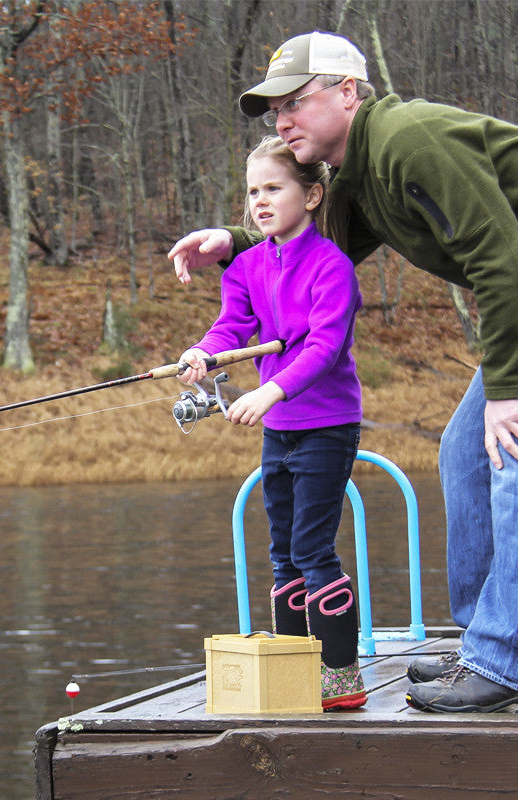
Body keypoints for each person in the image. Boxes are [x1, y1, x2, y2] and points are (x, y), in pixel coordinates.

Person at [169, 31, 518, 713]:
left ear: (347, 93)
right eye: (275, 112)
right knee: (463, 453)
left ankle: (508, 666)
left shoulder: (406, 141)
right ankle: (487, 644)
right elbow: (319, 246)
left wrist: (505, 393)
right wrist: (233, 241)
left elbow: (497, 255)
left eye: (296, 101)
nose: (283, 120)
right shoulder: (356, 176)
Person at [179, 135, 366, 711]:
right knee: (282, 550)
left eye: (273, 189)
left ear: (311, 196)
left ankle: (341, 676)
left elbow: (326, 346)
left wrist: (270, 389)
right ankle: (291, 666)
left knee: (313, 548)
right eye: (252, 192)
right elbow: (231, 327)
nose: (259, 201)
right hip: (278, 424)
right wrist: (202, 354)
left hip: (326, 423)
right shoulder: (246, 265)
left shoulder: (331, 265)